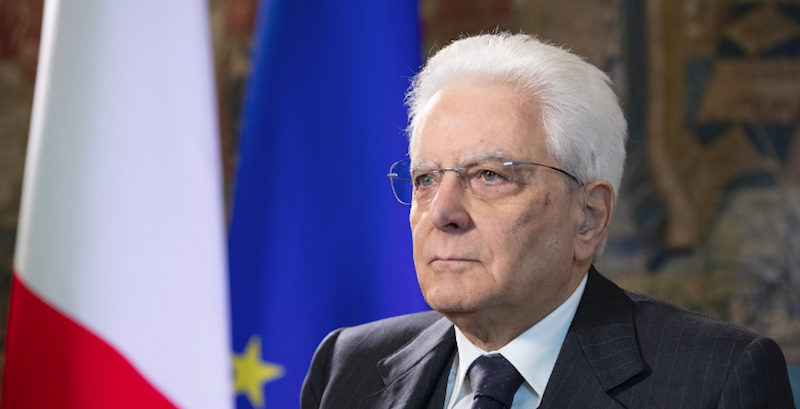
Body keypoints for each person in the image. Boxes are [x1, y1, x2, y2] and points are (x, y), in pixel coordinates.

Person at [301, 33, 795, 409]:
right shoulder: (348, 367)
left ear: (589, 216)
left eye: (489, 176)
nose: (442, 213)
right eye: (426, 179)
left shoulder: (717, 380)